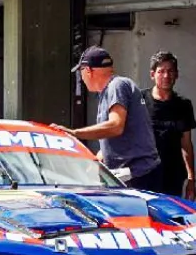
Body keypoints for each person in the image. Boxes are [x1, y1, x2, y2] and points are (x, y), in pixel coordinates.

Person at [51, 46, 163, 192]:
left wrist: (74, 133)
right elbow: (120, 136)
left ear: (88, 71)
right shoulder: (108, 92)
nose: (82, 79)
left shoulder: (117, 86)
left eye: (81, 73)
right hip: (130, 175)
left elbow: (116, 126)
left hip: (138, 175)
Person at [143, 51, 196, 199]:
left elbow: (186, 144)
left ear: (176, 74)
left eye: (170, 71)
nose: (166, 76)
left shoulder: (184, 105)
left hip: (173, 177)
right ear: (152, 74)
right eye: (161, 71)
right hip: (143, 177)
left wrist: (191, 180)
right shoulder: (139, 101)